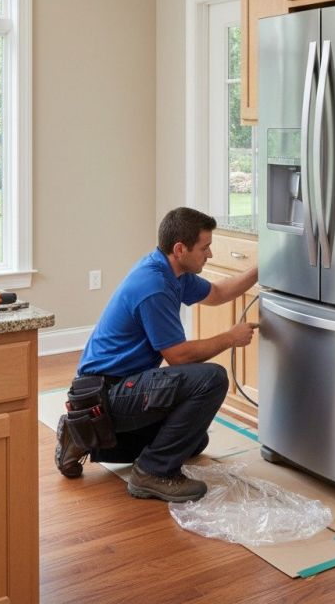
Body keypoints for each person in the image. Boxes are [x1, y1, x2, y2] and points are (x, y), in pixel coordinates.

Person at [54, 206, 258, 503]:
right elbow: (178, 356)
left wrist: (262, 268)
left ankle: (84, 438)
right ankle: (151, 472)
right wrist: (229, 338)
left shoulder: (171, 270)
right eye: (205, 247)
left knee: (193, 441)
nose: (210, 254)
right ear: (180, 248)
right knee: (212, 379)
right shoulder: (154, 286)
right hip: (105, 392)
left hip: (118, 388)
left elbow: (218, 293)